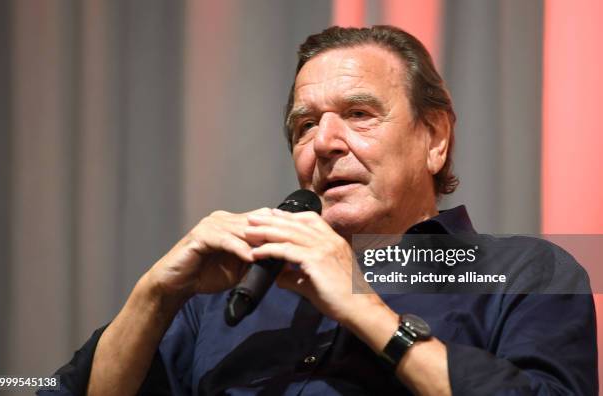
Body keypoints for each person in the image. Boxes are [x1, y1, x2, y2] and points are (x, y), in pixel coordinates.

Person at [39, 25, 597, 396]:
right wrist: (156, 294)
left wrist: (366, 311)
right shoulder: (222, 297)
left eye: (358, 113)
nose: (324, 143)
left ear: (435, 138)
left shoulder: (526, 273)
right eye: (305, 125)